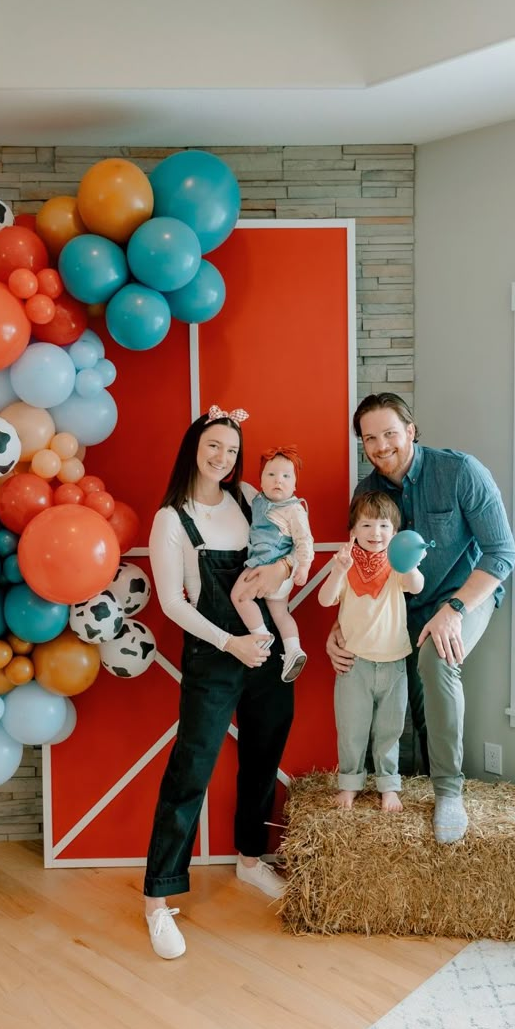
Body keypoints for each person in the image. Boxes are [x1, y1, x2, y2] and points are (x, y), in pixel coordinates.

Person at [326, 392, 515, 844]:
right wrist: (341, 627)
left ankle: (450, 792)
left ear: (411, 431)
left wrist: (454, 611)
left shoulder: (461, 472)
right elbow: (360, 569)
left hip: (462, 595)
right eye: (369, 438)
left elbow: (501, 552)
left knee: (435, 659)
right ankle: (409, 785)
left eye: (390, 433)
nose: (380, 445)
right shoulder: (366, 493)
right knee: (407, 698)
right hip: (397, 606)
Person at [144, 404, 295, 960]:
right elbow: (171, 603)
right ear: (194, 447)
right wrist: (229, 642)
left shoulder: (249, 498)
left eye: (232, 450)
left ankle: (250, 860)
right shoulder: (171, 518)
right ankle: (158, 901)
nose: (223, 457)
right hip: (215, 653)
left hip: (265, 647)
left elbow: (288, 552)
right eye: (214, 445)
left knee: (262, 753)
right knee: (191, 769)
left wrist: (282, 573)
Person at [319, 490, 424, 812]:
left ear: (394, 533)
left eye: (382, 526)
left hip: (393, 662)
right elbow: (325, 599)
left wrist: (410, 561)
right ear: (352, 532)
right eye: (365, 526)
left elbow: (417, 586)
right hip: (355, 663)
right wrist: (338, 569)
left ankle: (388, 785)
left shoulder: (396, 568)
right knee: (352, 729)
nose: (374, 533)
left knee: (389, 731)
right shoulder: (346, 567)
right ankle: (350, 784)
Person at [231, 446, 314, 683]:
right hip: (279, 577)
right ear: (261, 481)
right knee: (280, 613)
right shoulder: (257, 498)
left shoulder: (294, 509)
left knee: (239, 597)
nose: (278, 480)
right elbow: (241, 487)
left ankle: (261, 635)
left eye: (286, 476)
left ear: (295, 485)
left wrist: (304, 567)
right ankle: (293, 650)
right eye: (271, 475)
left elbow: (304, 540)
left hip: (266, 566)